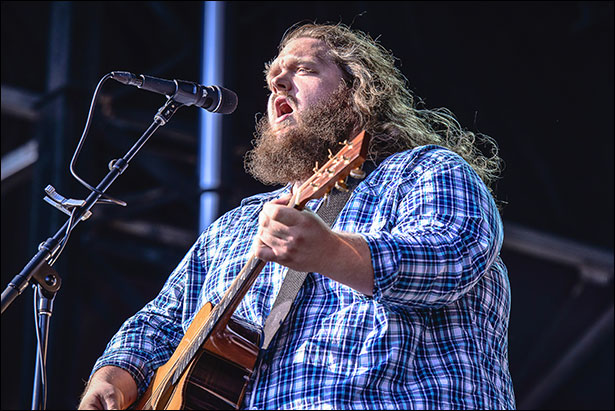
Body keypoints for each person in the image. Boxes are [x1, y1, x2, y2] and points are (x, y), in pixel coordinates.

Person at [78, 22, 516, 410]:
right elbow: (164, 320)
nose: (278, 84)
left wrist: (330, 252)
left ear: (358, 89)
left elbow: (452, 256)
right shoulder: (236, 225)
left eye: (303, 69)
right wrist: (115, 373)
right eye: (272, 78)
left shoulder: (424, 170)